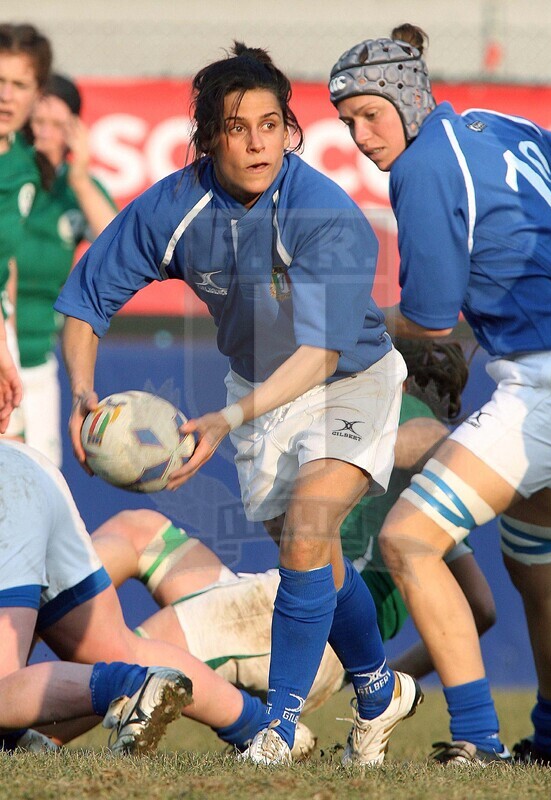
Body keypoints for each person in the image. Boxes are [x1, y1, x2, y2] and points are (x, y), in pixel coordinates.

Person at [55, 42, 421, 766]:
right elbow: (87, 298)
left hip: (349, 379)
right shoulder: (173, 207)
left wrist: (225, 420)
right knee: (310, 554)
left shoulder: (324, 213)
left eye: (269, 123)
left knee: (311, 526)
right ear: (208, 140)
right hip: (259, 391)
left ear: (291, 130)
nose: (256, 141)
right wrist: (84, 393)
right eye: (235, 126)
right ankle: (378, 688)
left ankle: (276, 729)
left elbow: (319, 354)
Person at [329, 23, 551, 767]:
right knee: (540, 572)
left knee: (408, 540)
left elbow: (432, 321)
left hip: (550, 383)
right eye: (347, 122)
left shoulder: (423, 166)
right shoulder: (497, 125)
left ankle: (476, 738)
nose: (361, 135)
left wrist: (346, 330)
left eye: (369, 114)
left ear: (408, 99)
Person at [87, 340, 495, 719]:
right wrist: (385, 674)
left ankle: (31, 722)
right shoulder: (428, 507)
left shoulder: (381, 411)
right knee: (139, 529)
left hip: (308, 621)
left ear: (397, 378)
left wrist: (359, 452)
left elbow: (426, 438)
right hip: (314, 637)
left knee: (129, 654)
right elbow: (481, 608)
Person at [0, 436, 318, 757]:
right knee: (121, 649)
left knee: (3, 691)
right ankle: (262, 727)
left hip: (7, 488)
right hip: (28, 464)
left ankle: (131, 685)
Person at [15, 73, 117, 466]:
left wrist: (78, 174)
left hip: (37, 362)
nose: (44, 134)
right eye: (37, 122)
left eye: (58, 125)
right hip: (2, 346)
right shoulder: (10, 177)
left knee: (41, 479)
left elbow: (117, 242)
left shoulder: (72, 189)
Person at [0, 23, 52, 439]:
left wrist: (6, 339)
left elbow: (5, 263)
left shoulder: (22, 162)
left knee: (17, 469)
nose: (6, 94)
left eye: (19, 83)